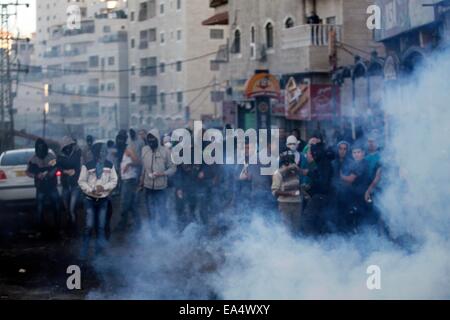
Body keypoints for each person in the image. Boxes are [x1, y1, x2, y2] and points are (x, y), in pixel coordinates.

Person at [78, 143, 118, 259]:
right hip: (89, 200)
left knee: (101, 227)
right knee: (89, 226)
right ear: (96, 153)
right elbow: (81, 181)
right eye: (101, 151)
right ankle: (84, 252)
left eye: (105, 151)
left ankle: (98, 253)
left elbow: (114, 180)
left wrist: (104, 188)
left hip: (103, 201)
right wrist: (91, 190)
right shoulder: (87, 165)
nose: (104, 153)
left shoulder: (109, 165)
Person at [140, 129, 176, 230]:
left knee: (162, 210)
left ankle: (164, 231)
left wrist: (162, 173)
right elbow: (143, 167)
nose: (151, 142)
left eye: (153, 140)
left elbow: (173, 168)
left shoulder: (166, 151)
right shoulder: (144, 150)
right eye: (149, 140)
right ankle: (153, 233)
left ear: (157, 139)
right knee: (150, 211)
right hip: (148, 186)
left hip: (161, 187)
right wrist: (141, 181)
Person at [26, 139, 62, 235]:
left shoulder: (51, 157)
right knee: (39, 208)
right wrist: (37, 175)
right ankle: (40, 228)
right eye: (39, 146)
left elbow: (57, 167)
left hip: (51, 186)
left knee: (57, 206)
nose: (41, 148)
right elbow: (28, 172)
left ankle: (58, 226)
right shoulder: (33, 159)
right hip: (40, 187)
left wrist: (50, 174)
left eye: (42, 146)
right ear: (37, 147)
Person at [302, 143, 333, 235]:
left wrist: (310, 175)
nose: (308, 155)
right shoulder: (321, 163)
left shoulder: (324, 164)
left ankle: (311, 239)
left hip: (322, 196)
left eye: (310, 152)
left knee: (309, 217)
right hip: (323, 196)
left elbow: (323, 183)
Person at [340, 142, 371, 231]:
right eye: (354, 153)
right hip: (355, 195)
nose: (356, 155)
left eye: (358, 152)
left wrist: (341, 176)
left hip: (362, 196)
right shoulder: (355, 164)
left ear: (363, 153)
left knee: (362, 220)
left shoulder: (363, 164)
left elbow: (350, 179)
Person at [272, 152, 302, 235]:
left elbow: (298, 184)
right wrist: (290, 193)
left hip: (297, 203)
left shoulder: (296, 172)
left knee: (296, 228)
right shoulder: (278, 173)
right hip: (285, 204)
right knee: (286, 229)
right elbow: (275, 192)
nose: (293, 164)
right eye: (291, 162)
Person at [57, 136, 82, 236]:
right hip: (65, 185)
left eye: (69, 145)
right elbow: (58, 166)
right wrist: (65, 171)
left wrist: (74, 171)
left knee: (72, 208)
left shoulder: (77, 154)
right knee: (67, 209)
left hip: (75, 185)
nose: (68, 147)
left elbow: (79, 166)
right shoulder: (60, 156)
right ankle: (69, 228)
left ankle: (74, 228)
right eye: (66, 146)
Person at [116, 139, 142, 232]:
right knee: (131, 204)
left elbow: (138, 162)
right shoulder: (122, 151)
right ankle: (138, 224)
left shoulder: (129, 150)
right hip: (125, 180)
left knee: (124, 204)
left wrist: (129, 164)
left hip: (129, 180)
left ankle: (122, 225)